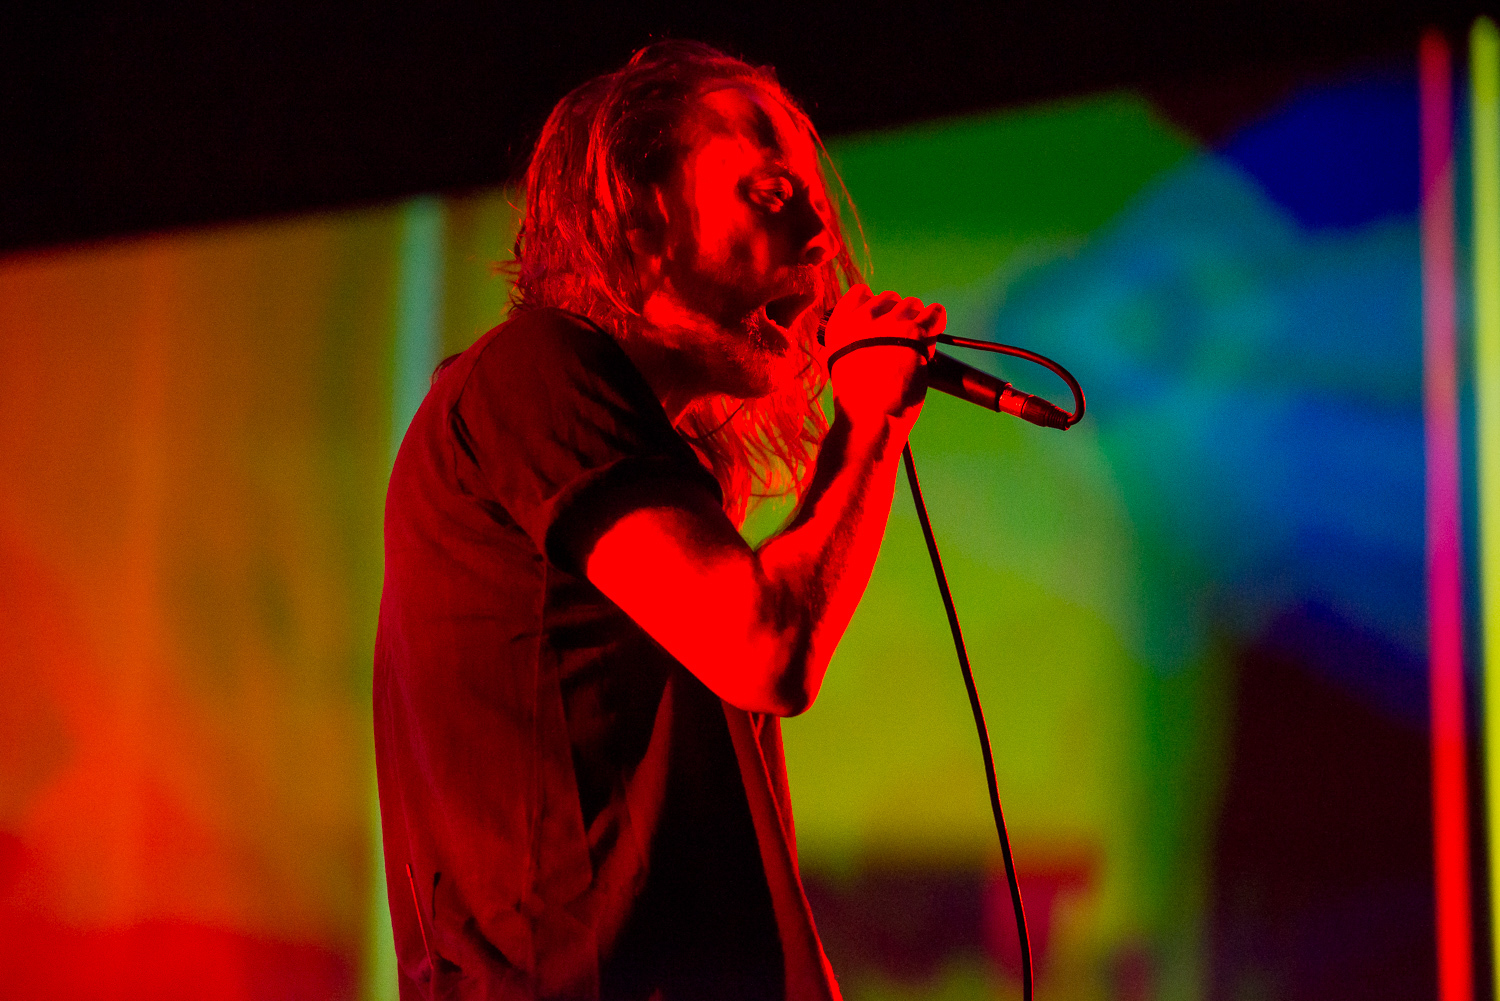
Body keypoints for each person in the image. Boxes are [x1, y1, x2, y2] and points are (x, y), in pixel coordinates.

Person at [374, 40, 946, 1001]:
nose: (818, 235)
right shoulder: (536, 373)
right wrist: (869, 421)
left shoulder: (665, 470)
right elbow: (768, 648)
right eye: (771, 193)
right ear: (639, 215)